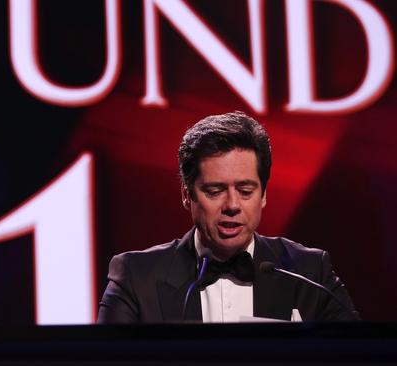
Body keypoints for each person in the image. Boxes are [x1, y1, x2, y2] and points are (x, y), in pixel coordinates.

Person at [97, 111, 357, 323]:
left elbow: (358, 356)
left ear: (263, 194)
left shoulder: (309, 273)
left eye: (245, 191)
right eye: (215, 191)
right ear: (187, 195)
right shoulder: (136, 278)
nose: (232, 205)